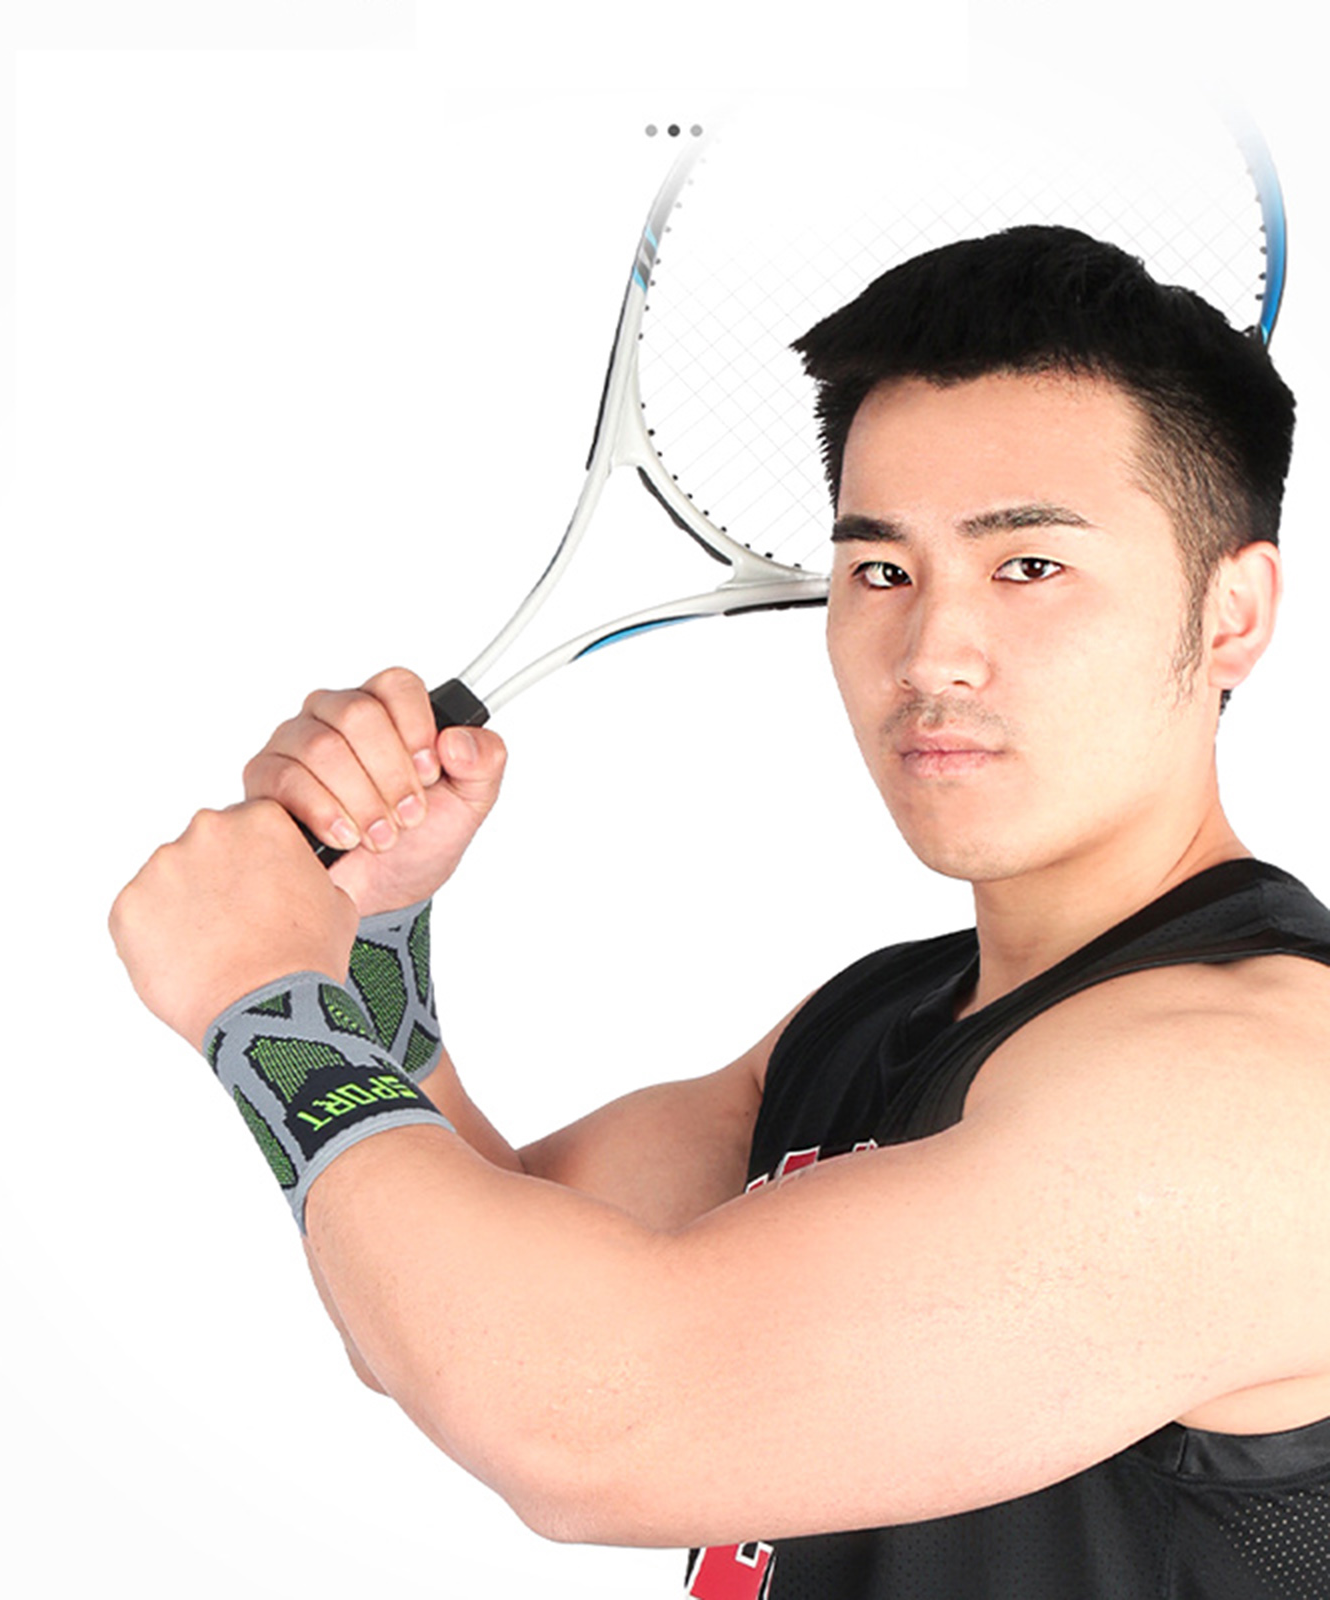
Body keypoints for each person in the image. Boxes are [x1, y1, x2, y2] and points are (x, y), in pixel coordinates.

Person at [109, 226, 1330, 1599]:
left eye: (1029, 567)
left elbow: (581, 1421)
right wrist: (371, 930)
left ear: (1233, 613)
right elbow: (438, 1311)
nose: (932, 654)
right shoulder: (879, 1016)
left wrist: (262, 998)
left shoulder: (1262, 1091)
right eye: (881, 570)